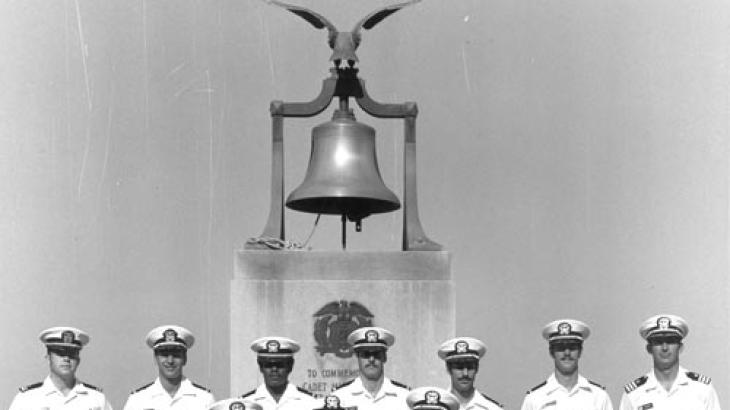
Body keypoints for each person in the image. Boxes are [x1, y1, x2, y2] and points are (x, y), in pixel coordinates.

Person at [619, 314, 720, 410]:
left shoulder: (702, 389)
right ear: (649, 349)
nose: (665, 348)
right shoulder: (633, 394)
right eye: (658, 342)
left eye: (671, 341)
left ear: (680, 347)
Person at [9, 326, 112, 410]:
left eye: (71, 353)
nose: (66, 358)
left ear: (78, 360)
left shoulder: (96, 399)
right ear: (48, 357)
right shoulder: (27, 399)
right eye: (60, 353)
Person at [521, 319, 613, 410]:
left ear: (580, 351)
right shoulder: (534, 399)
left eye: (572, 347)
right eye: (561, 347)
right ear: (551, 352)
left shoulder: (599, 397)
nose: (567, 353)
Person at [123, 325, 215, 410]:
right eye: (164, 354)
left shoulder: (204, 399)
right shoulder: (138, 400)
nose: (170, 360)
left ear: (185, 358)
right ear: (155, 358)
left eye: (176, 355)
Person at [332, 326, 410, 410]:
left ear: (384, 357)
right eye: (366, 354)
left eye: (376, 354)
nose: (371, 359)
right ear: (357, 357)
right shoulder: (340, 397)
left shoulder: (404, 397)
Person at [240, 336, 319, 410]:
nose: (274, 369)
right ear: (261, 367)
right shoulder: (246, 404)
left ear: (290, 366)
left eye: (280, 365)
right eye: (269, 365)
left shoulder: (311, 403)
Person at [437, 337, 503, 410]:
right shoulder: (438, 407)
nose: (465, 374)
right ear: (449, 369)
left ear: (477, 369)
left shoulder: (491, 408)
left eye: (470, 367)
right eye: (459, 367)